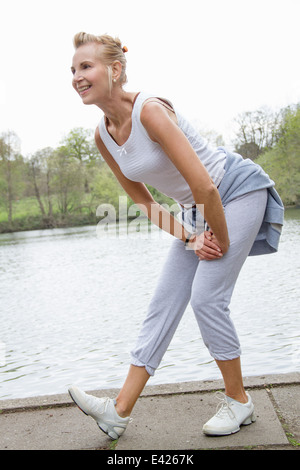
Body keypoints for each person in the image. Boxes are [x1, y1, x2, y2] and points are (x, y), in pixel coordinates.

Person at [68, 32, 284, 439]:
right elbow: (146, 203)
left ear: (115, 70)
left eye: (86, 67)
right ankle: (118, 411)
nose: (77, 76)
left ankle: (239, 401)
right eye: (73, 69)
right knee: (163, 302)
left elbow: (205, 186)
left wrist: (213, 238)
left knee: (207, 297)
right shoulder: (103, 134)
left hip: (234, 190)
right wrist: (190, 236)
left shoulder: (149, 111)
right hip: (196, 209)